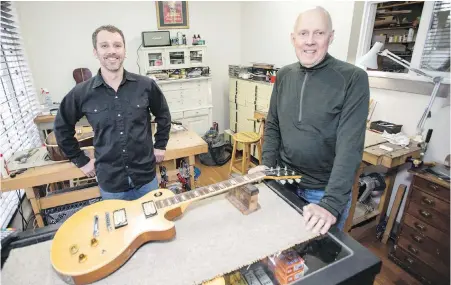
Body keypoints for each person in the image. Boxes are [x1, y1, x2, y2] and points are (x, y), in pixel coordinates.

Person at [249, 6, 369, 234]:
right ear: (293, 38)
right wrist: (266, 164)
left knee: (319, 261)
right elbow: (273, 124)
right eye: (303, 33)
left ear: (331, 37)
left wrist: (331, 203)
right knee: (281, 254)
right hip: (283, 181)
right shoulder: (284, 75)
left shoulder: (353, 78)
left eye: (319, 33)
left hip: (322, 192)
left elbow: (350, 147)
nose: (310, 41)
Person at [54, 25, 171, 201]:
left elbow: (163, 114)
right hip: (111, 183)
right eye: (104, 46)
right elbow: (61, 127)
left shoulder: (146, 85)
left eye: (117, 45)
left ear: (124, 51)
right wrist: (81, 161)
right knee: (118, 228)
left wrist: (160, 144)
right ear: (95, 52)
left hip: (146, 178)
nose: (112, 51)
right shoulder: (81, 93)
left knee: (153, 226)